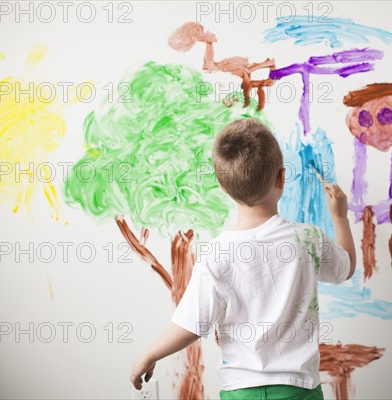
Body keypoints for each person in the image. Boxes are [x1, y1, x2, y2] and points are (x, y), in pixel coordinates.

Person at [130, 118, 356, 400]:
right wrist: (339, 216)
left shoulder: (216, 253)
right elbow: (345, 267)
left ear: (222, 187)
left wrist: (150, 355)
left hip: (239, 391)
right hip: (299, 390)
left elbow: (191, 326)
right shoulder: (307, 240)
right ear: (281, 178)